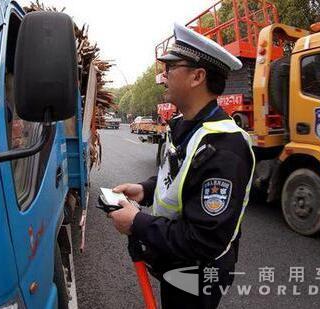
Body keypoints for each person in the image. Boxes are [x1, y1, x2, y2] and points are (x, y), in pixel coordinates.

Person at [108, 23, 255, 309]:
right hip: (174, 261)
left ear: (197, 76)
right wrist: (145, 190)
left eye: (170, 68)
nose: (162, 78)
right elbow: (177, 174)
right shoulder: (181, 125)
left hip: (198, 273)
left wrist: (137, 222)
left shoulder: (225, 146)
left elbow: (204, 239)